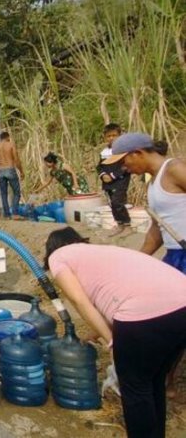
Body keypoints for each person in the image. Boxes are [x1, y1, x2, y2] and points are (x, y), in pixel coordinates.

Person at [43, 227, 186, 438]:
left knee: (135, 388)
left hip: (145, 313)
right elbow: (113, 297)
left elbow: (80, 301)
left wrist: (111, 340)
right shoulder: (101, 253)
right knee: (152, 381)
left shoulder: (58, 256)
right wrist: (96, 333)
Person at [104, 132, 186, 399]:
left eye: (125, 162)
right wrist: (139, 259)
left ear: (138, 152)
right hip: (174, 257)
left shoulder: (174, 169)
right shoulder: (153, 184)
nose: (125, 168)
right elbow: (157, 229)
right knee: (171, 320)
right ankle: (167, 380)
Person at [97, 123, 132, 236]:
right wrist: (103, 175)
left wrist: (112, 176)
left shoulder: (124, 151)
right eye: (109, 136)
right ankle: (119, 224)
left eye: (114, 135)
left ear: (120, 136)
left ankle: (127, 225)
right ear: (105, 137)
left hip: (120, 181)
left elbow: (126, 166)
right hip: (107, 183)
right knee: (112, 203)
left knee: (118, 202)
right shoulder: (104, 152)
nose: (111, 138)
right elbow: (99, 166)